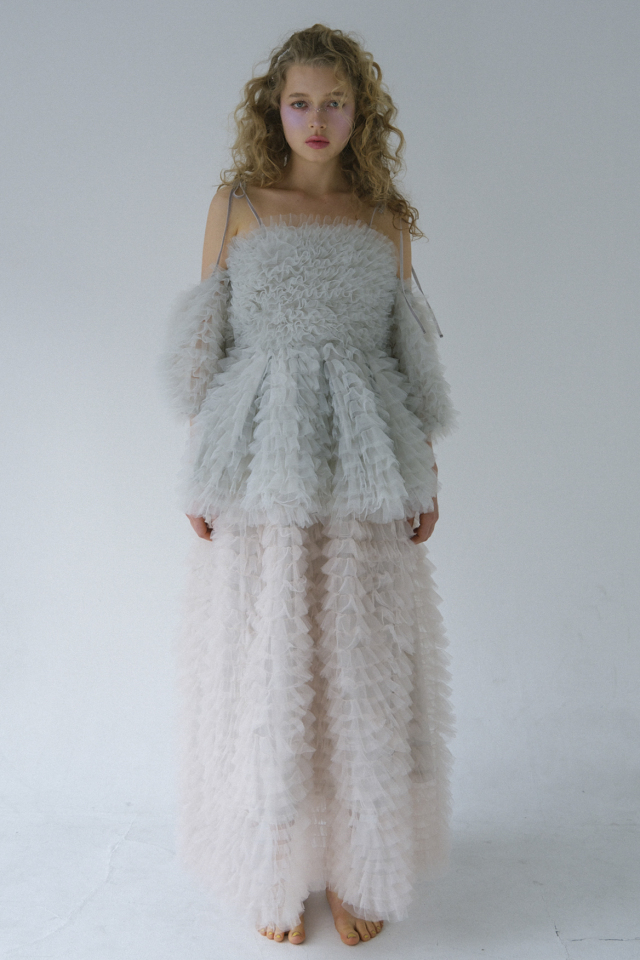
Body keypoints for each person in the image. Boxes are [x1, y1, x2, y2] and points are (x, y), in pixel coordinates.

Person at [161, 23, 456, 947]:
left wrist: (425, 474)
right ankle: (273, 867)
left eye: (335, 102)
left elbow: (406, 354)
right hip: (263, 467)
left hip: (364, 466)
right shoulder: (237, 206)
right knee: (269, 660)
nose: (317, 119)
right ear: (274, 109)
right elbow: (207, 347)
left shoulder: (384, 218)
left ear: (361, 111)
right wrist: (201, 472)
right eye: (300, 102)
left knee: (358, 664)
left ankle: (357, 867)